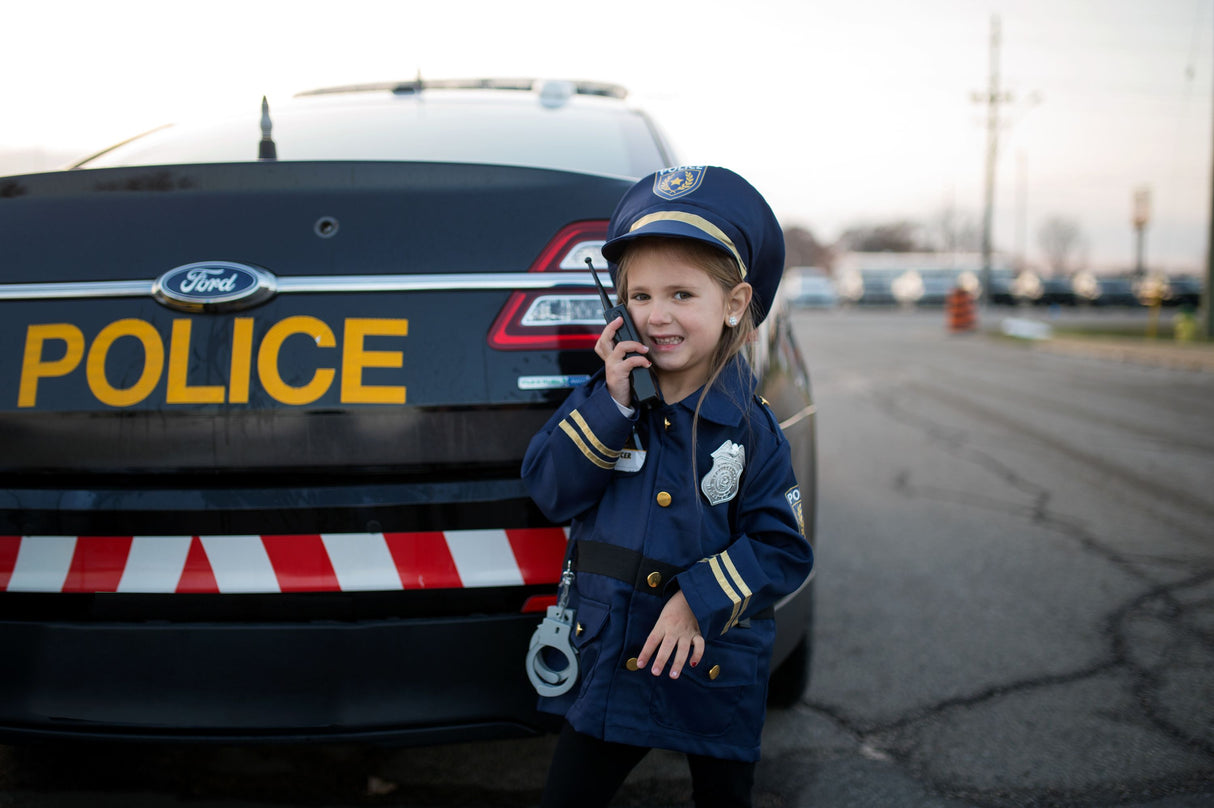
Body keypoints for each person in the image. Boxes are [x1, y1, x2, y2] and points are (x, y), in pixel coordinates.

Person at [521, 165, 814, 808]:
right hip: (612, 658)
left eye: (682, 295)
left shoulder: (752, 430)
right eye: (641, 296)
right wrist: (611, 408)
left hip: (715, 663)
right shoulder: (606, 402)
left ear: (734, 304)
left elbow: (782, 548)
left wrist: (698, 599)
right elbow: (548, 490)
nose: (657, 316)